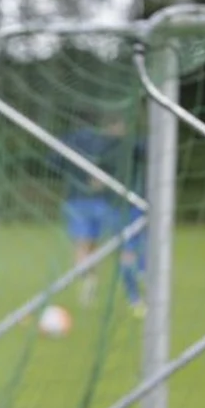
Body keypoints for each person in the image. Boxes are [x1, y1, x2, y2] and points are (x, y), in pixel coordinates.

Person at [56, 117, 145, 313]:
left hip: (82, 201)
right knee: (100, 245)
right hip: (96, 202)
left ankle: (88, 280)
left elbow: (55, 162)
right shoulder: (110, 143)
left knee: (85, 245)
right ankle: (127, 287)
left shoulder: (71, 140)